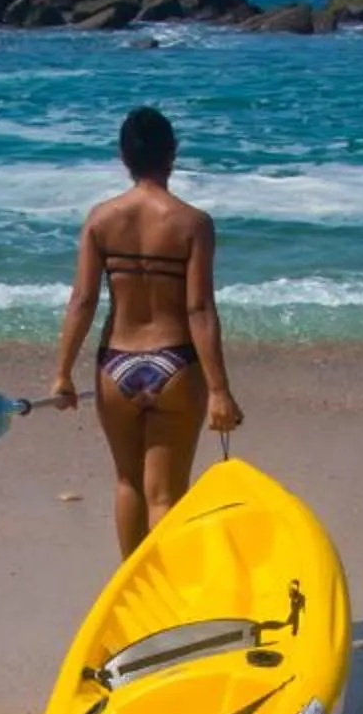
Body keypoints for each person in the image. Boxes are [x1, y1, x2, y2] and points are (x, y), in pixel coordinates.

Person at [50, 106, 243, 557]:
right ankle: (165, 598)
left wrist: (62, 372)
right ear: (172, 154)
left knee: (127, 482)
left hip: (116, 364)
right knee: (165, 496)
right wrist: (219, 389)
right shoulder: (192, 223)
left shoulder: (101, 219)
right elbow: (198, 309)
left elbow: (82, 300)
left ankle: (133, 593)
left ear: (123, 156)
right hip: (174, 363)